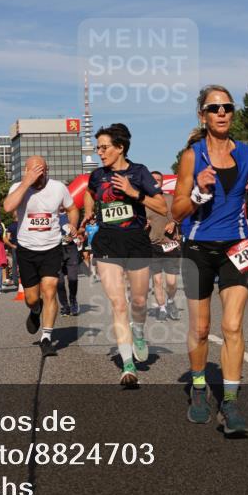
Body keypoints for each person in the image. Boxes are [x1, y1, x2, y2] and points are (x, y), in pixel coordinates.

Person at [172, 86, 248, 435]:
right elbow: (177, 210)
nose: (222, 113)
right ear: (203, 116)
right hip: (198, 248)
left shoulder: (247, 153)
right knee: (200, 328)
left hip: (236, 247)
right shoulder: (192, 157)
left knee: (232, 326)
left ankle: (230, 401)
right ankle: (198, 389)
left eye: (227, 107)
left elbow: (246, 190)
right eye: (215, 108)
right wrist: (197, 191)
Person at [85, 123, 167, 387]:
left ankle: (139, 331)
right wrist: (89, 213)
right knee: (119, 304)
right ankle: (128, 366)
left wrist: (134, 193)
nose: (100, 152)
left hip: (136, 241)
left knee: (140, 301)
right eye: (98, 148)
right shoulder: (97, 176)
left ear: (120, 148)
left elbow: (162, 206)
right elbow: (89, 193)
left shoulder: (139, 172)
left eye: (104, 147)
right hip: (107, 242)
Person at [3, 155, 79, 357]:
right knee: (31, 298)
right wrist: (26, 183)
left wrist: (73, 224)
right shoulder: (18, 188)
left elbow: (72, 208)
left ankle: (46, 337)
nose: (38, 174)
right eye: (33, 170)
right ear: (26, 171)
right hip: (27, 249)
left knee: (50, 289)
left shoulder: (58, 188)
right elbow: (8, 207)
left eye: (42, 170)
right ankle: (35, 310)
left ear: (48, 170)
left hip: (52, 247)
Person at [147, 170, 181, 321]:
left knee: (172, 282)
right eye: (152, 179)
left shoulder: (171, 199)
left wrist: (174, 223)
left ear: (162, 182)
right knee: (157, 281)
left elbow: (181, 215)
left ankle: (170, 301)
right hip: (153, 245)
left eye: (158, 179)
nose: (155, 181)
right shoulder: (145, 202)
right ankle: (161, 308)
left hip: (171, 245)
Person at [56, 208, 81, 316]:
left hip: (71, 249)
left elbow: (82, 230)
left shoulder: (73, 213)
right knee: (59, 281)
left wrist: (76, 235)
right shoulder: (51, 213)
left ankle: (73, 300)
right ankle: (65, 306)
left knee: (73, 278)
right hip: (56, 250)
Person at [83, 214, 100, 282]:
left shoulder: (98, 226)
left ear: (95, 220)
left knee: (98, 259)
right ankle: (94, 274)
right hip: (91, 244)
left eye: (93, 220)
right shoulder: (87, 227)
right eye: (90, 220)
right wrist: (85, 236)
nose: (92, 221)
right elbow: (86, 235)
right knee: (92, 258)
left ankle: (98, 272)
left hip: (98, 244)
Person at [5, 219, 20, 287]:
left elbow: (7, 238)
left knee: (14, 264)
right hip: (24, 246)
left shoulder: (11, 226)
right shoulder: (22, 224)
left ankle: (16, 281)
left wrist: (10, 245)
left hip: (14, 246)